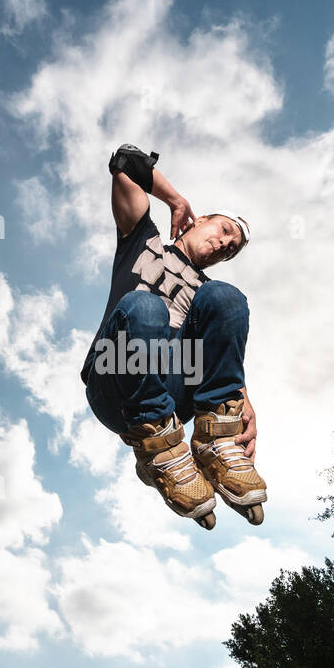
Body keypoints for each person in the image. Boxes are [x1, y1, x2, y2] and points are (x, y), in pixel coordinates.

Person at [80, 143, 267, 528]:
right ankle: (156, 447)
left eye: (230, 249)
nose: (223, 245)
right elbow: (125, 162)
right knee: (145, 308)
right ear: (201, 220)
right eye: (224, 230)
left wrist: (243, 402)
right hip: (114, 381)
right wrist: (175, 199)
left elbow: (222, 356)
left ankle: (213, 443)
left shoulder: (207, 292)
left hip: (172, 397)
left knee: (226, 297)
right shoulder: (141, 240)